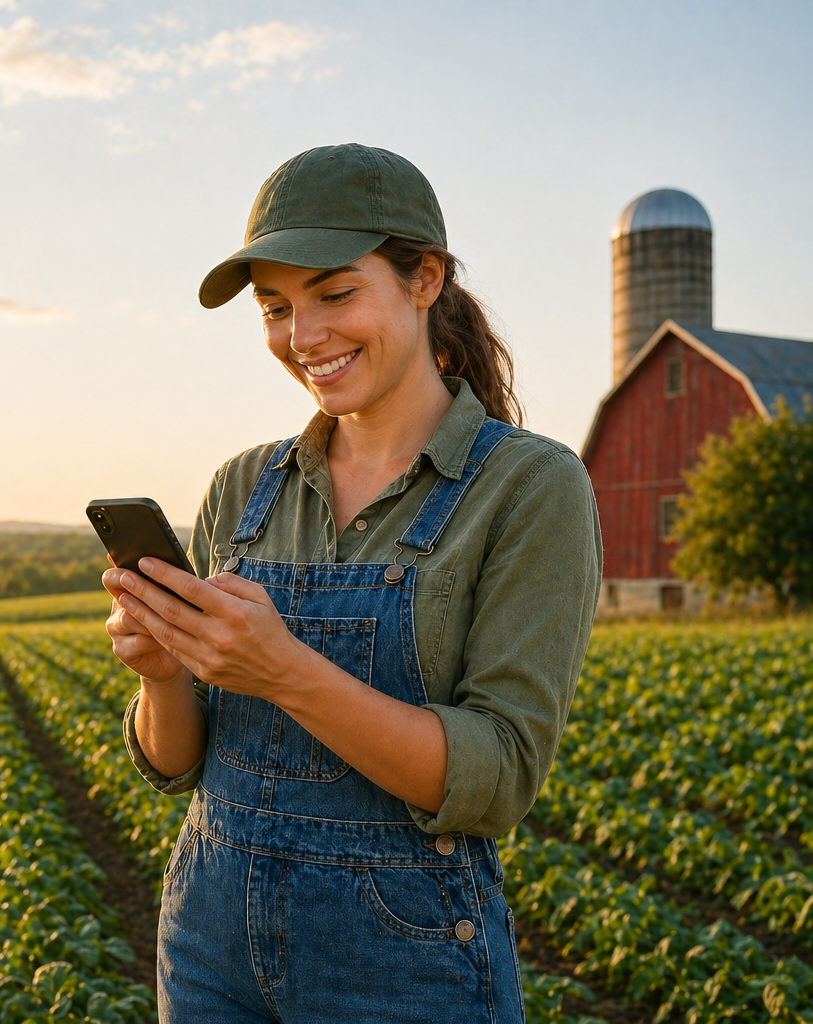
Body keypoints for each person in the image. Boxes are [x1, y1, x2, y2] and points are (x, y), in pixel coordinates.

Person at [103, 144, 601, 1023]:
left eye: (335, 294)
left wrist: (284, 669)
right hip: (208, 945)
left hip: (402, 959)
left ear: (425, 280)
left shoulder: (529, 487)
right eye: (276, 308)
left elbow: (496, 779)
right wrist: (163, 670)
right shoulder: (243, 484)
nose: (304, 338)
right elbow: (179, 764)